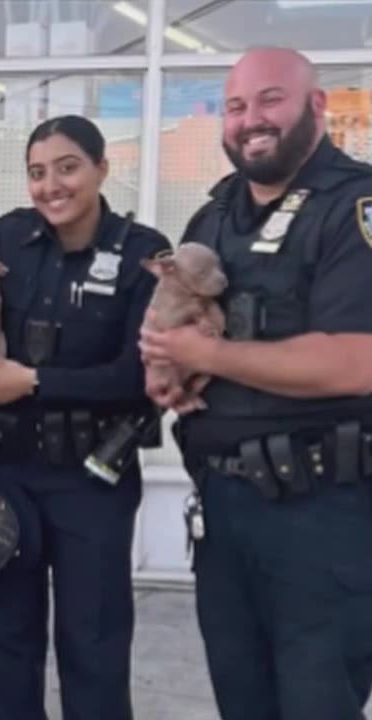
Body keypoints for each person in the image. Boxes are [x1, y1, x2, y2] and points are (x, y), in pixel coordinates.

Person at [140, 47, 372, 720]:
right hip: (225, 507)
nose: (250, 120)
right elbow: (176, 319)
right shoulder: (213, 218)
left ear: (317, 106)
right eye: (236, 106)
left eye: (270, 99)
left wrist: (206, 353)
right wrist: (167, 367)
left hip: (323, 513)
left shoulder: (353, 206)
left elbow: (355, 361)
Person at [0, 115, 171, 720]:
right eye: (37, 172)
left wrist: (32, 381)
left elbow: (140, 377)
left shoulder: (142, 254)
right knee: (6, 647)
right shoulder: (7, 239)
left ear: (102, 170)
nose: (51, 185)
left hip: (92, 480)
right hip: (5, 471)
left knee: (95, 647)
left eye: (67, 168)